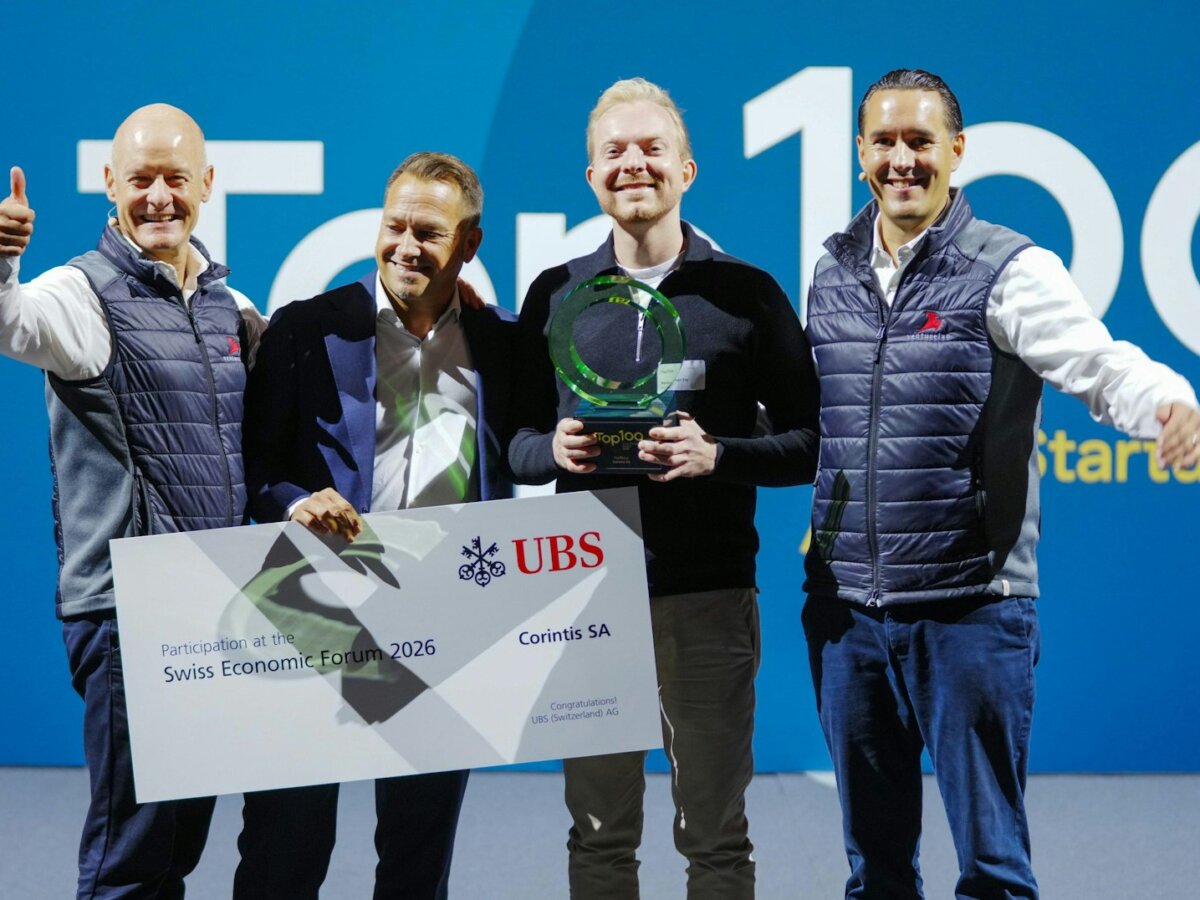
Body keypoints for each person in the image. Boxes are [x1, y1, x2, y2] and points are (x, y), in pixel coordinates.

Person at [801, 68, 1200, 900]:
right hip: (847, 618)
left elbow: (1100, 364)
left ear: (956, 151)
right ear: (859, 153)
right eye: (884, 142)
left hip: (970, 609)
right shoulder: (831, 270)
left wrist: (1167, 401)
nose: (901, 159)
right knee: (874, 874)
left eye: (919, 141)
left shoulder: (1010, 268)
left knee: (992, 873)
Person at [508, 77, 820, 900]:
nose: (633, 164)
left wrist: (720, 455)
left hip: (709, 599)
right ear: (591, 177)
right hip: (587, 598)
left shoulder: (748, 295)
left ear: (687, 170)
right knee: (599, 836)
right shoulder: (554, 294)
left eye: (653, 149)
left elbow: (812, 443)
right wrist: (552, 450)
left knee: (715, 837)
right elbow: (514, 442)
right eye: (614, 152)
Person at [0, 105, 265, 899]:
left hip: (213, 613)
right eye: (140, 179)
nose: (158, 197)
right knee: (129, 862)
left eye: (175, 179)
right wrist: (1, 262)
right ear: (109, 183)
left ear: (206, 185)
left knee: (175, 851)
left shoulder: (231, 308)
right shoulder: (78, 293)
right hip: (125, 616)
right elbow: (12, 323)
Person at [240, 151, 517, 900]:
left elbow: (535, 448)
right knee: (286, 848)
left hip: (444, 622)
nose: (406, 246)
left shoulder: (504, 343)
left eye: (429, 233)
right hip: (314, 615)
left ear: (469, 244)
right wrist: (296, 502)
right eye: (395, 226)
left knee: (417, 858)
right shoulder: (306, 328)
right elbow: (255, 466)